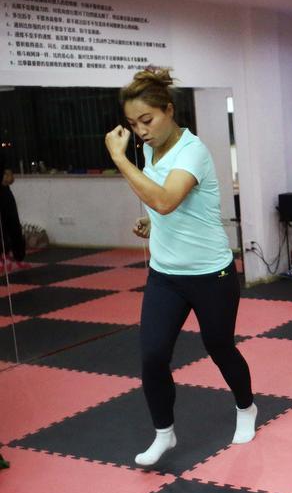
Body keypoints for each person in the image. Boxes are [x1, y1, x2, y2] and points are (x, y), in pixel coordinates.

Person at [104, 67, 256, 467]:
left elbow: (168, 199)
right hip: (166, 275)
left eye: (147, 120)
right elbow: (166, 208)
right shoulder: (152, 150)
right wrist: (152, 223)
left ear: (169, 110)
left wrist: (119, 158)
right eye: (133, 124)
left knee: (219, 347)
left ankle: (246, 408)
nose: (141, 132)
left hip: (211, 274)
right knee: (152, 356)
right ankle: (164, 434)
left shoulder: (194, 151)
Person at [0, 168, 29, 271]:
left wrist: (7, 177)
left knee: (15, 227)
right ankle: (4, 257)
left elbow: (10, 179)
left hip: (6, 196)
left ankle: (19, 257)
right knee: (1, 229)